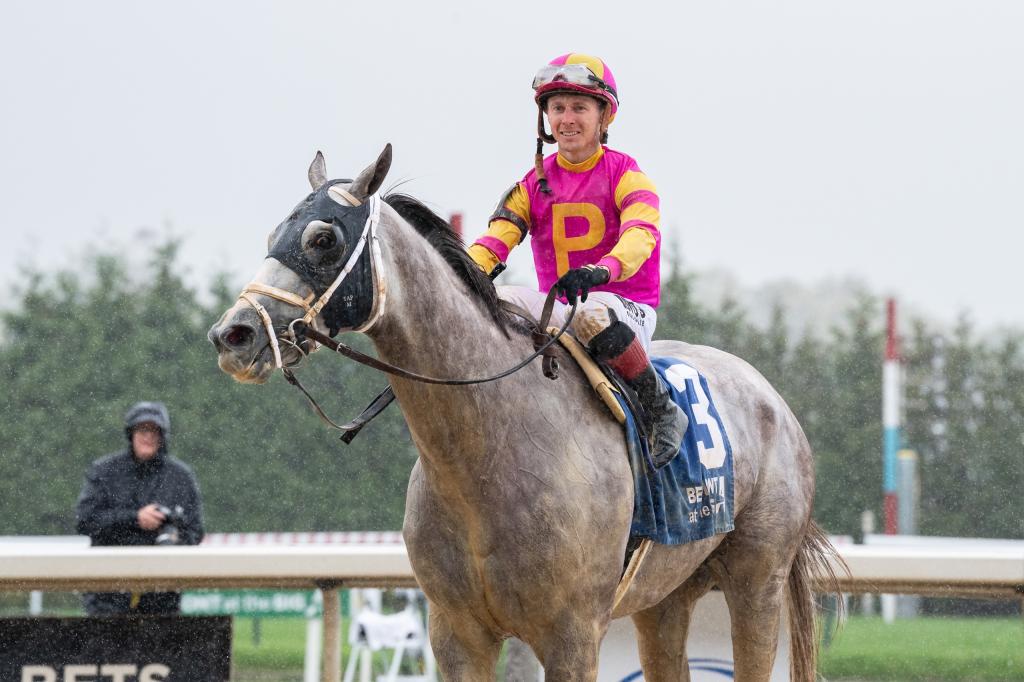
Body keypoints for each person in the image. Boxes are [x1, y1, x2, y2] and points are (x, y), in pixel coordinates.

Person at [468, 53, 688, 468]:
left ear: (604, 116)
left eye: (579, 107)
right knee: (501, 300)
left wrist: (601, 270)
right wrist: (459, 276)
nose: (567, 119)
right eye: (557, 108)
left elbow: (642, 235)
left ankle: (661, 409)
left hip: (625, 312)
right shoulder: (531, 185)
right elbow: (494, 242)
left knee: (589, 312)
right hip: (559, 308)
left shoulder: (628, 175)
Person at [75, 401, 204, 616]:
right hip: (108, 594)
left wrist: (170, 537)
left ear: (163, 436)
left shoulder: (181, 477)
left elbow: (195, 531)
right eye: (143, 429)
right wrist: (135, 519)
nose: (148, 436)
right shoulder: (104, 472)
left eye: (155, 430)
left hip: (161, 596)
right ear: (131, 433)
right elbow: (85, 521)